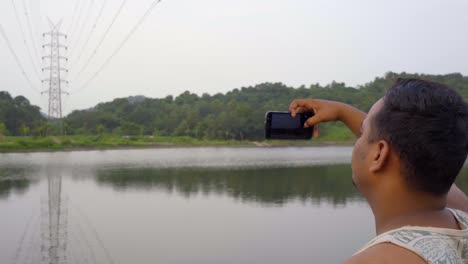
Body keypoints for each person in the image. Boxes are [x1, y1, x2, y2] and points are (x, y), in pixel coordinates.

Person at [289, 78, 468, 263]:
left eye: (362, 133)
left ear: (379, 154)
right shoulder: (461, 216)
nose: (357, 140)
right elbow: (421, 147)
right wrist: (343, 112)